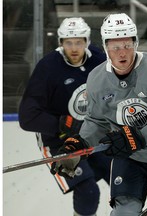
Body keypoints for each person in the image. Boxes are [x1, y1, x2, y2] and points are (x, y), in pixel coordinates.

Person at [50, 13, 147, 216]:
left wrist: (132, 136)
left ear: (136, 43)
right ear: (105, 47)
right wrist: (80, 143)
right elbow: (97, 120)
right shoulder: (97, 79)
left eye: (127, 45)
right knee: (124, 213)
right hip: (132, 158)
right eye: (115, 47)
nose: (122, 53)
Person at [18, 17, 112, 216]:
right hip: (58, 141)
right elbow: (27, 117)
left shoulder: (99, 59)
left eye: (79, 42)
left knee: (123, 179)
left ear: (87, 41)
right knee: (88, 190)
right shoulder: (48, 67)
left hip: (94, 135)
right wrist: (63, 123)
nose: (74, 48)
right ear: (61, 43)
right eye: (69, 43)